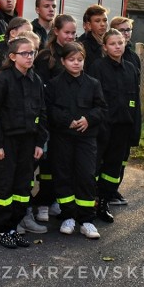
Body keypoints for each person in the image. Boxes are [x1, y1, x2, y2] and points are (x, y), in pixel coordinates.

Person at [0, 35, 48, 249]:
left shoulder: (36, 80)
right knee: (5, 186)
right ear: (12, 57)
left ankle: (14, 227)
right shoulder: (3, 80)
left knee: (23, 186)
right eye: (25, 53)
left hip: (28, 142)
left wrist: (40, 142)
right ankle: (3, 229)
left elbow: (42, 112)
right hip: (7, 142)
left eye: (32, 53)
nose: (30, 57)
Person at [45, 42, 106, 239]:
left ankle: (87, 220)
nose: (76, 63)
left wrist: (89, 119)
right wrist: (66, 121)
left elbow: (102, 109)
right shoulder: (54, 85)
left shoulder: (93, 84)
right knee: (63, 175)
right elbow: (48, 109)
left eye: (80, 60)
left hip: (86, 140)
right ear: (63, 61)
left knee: (86, 175)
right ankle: (68, 216)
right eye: (71, 60)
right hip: (62, 138)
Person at [29, 13, 78, 224]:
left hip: (68, 120)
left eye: (74, 33)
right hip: (50, 117)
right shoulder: (45, 57)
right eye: (67, 32)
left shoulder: (76, 53)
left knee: (62, 163)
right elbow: (42, 90)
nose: (70, 36)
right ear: (56, 31)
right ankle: (42, 203)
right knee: (46, 166)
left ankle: (55, 199)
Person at [90, 28, 142, 224]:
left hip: (123, 127)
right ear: (104, 47)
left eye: (120, 43)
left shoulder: (131, 69)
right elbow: (93, 99)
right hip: (102, 127)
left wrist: (135, 128)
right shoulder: (97, 67)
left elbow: (136, 101)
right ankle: (89, 204)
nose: (117, 46)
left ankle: (104, 202)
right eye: (112, 43)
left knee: (113, 168)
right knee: (94, 166)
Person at [106, 16, 141, 206]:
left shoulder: (133, 59)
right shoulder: (104, 63)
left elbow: (135, 92)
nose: (126, 34)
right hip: (110, 120)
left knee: (122, 158)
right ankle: (104, 193)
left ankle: (114, 189)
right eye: (122, 30)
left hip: (127, 117)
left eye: (128, 30)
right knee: (108, 158)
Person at [79, 4, 109, 75]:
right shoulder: (83, 47)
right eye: (97, 21)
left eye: (105, 20)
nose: (102, 24)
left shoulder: (111, 44)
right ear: (89, 25)